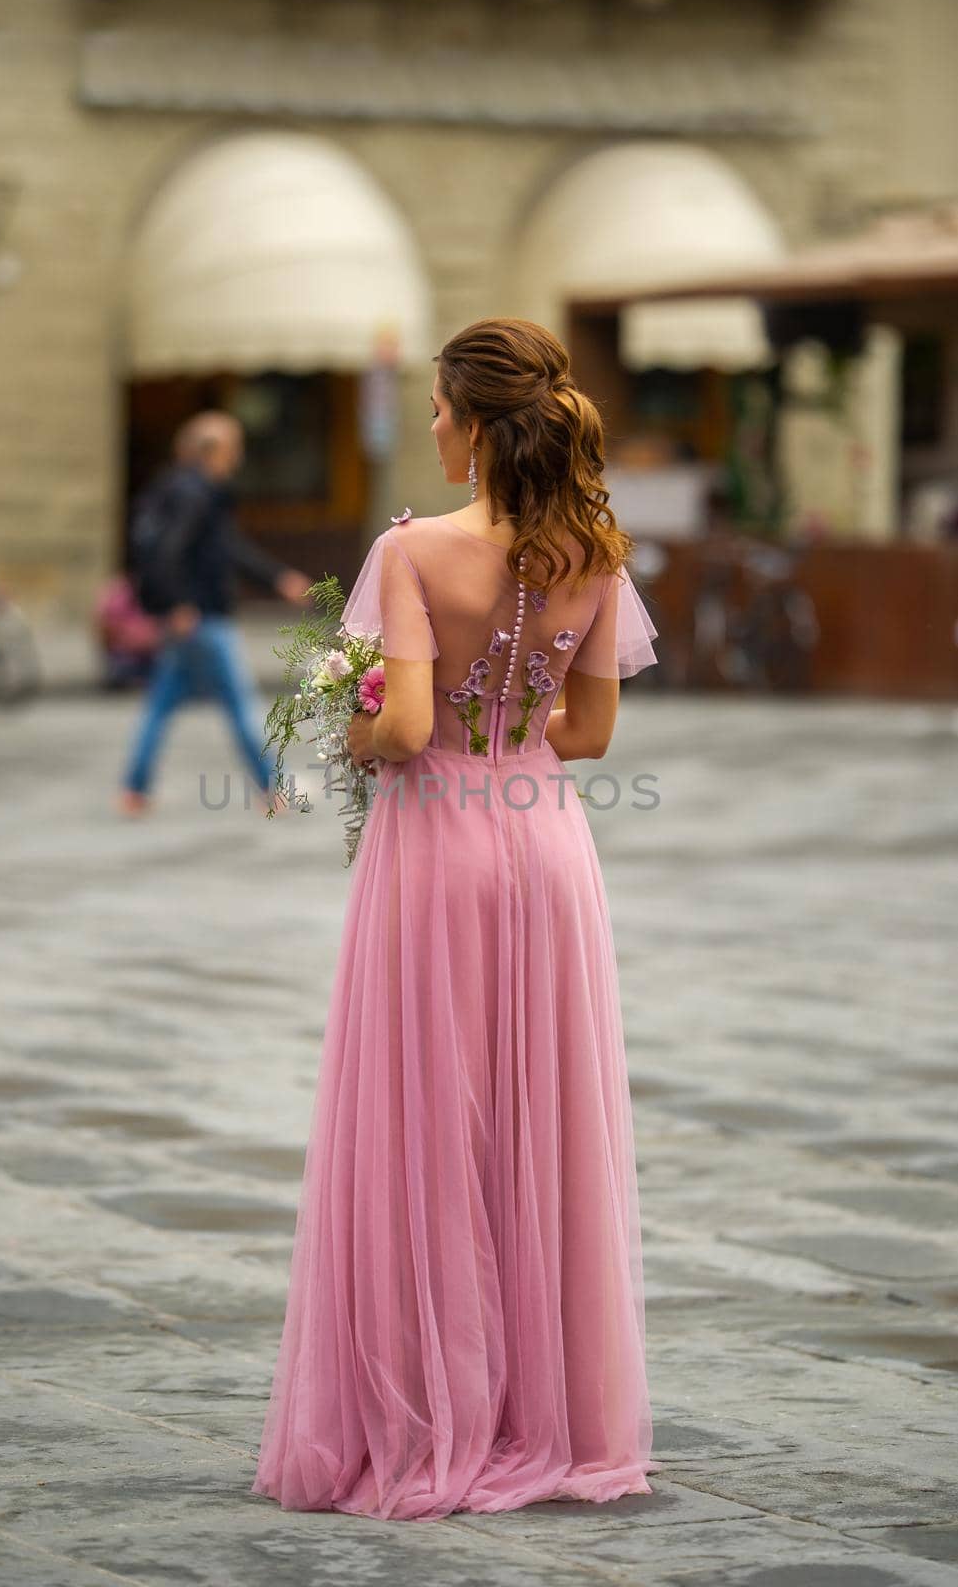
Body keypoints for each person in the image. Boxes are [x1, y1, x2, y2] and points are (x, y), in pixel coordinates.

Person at [251, 318, 662, 1520]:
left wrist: (353, 714)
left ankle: (432, 1412)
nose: (431, 428)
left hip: (437, 851)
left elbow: (411, 729)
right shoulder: (596, 553)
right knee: (539, 1121)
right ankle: (551, 1419)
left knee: (427, 1114)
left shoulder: (413, 551)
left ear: (476, 426)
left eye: (439, 410)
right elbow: (585, 737)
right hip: (545, 851)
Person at [116, 411, 313, 817]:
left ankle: (134, 789)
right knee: (240, 702)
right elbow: (172, 549)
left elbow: (226, 548)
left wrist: (277, 578)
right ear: (214, 451)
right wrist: (178, 604)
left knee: (162, 702)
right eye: (232, 446)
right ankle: (274, 787)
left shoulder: (179, 489)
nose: (237, 455)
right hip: (201, 616)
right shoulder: (197, 494)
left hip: (189, 617)